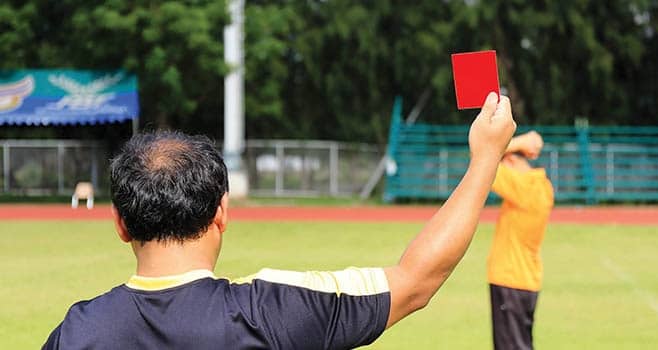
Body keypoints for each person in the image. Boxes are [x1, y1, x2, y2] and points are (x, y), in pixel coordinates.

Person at [43, 92, 515, 350]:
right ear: (221, 213)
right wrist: (485, 158)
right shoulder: (272, 311)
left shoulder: (79, 332)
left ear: (121, 223)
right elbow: (415, 282)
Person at [487, 130, 554, 350]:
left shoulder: (524, 188)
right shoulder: (542, 187)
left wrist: (517, 142)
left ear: (511, 160)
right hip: (526, 280)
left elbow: (483, 159)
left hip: (510, 279)